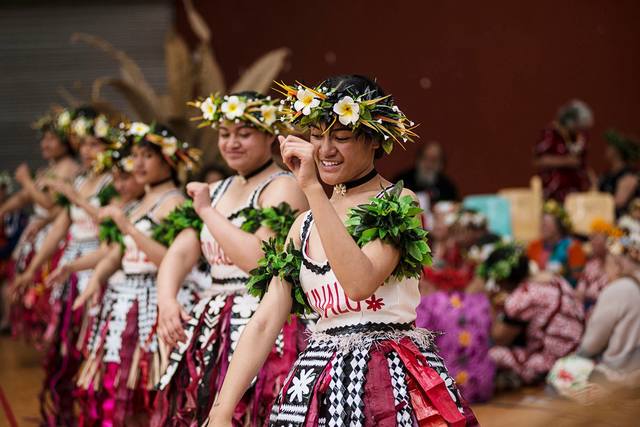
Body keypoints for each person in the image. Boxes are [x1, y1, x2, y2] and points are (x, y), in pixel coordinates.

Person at [206, 75, 476, 426]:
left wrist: (312, 189)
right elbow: (264, 321)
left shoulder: (397, 202)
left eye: (341, 137)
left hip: (391, 382)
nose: (324, 150)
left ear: (375, 140)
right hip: (318, 380)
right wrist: (221, 410)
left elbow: (359, 283)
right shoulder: (302, 225)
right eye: (316, 136)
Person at [151, 91, 309, 426]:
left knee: (256, 414)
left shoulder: (283, 187)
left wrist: (207, 212)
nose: (232, 143)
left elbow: (259, 261)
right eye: (225, 134)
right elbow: (181, 251)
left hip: (265, 322)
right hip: (213, 322)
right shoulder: (219, 188)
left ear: (269, 135)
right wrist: (166, 299)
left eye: (244, 133)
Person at [69, 122, 199, 426]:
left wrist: (126, 226)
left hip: (156, 301)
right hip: (124, 302)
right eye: (135, 155)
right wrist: (92, 280)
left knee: (151, 389)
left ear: (167, 160)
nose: (137, 163)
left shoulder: (176, 203)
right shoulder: (141, 202)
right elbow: (117, 253)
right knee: (121, 386)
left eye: (147, 156)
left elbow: (173, 260)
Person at [12, 108, 116, 426]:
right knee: (65, 346)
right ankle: (67, 414)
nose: (87, 151)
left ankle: (99, 415)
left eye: (95, 144)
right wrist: (32, 270)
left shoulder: (116, 181)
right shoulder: (83, 178)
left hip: (100, 270)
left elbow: (113, 227)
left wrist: (74, 197)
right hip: (71, 268)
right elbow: (60, 226)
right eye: (83, 144)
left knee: (92, 349)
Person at [3, 108, 79, 340]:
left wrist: (26, 181)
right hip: (39, 234)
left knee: (47, 292)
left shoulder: (69, 169)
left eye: (51, 139)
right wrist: (4, 209)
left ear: (66, 143)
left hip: (54, 238)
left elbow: (49, 205)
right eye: (43, 139)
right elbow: (25, 197)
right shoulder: (49, 168)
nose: (44, 144)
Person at [547, 233, 640, 399]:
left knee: (561, 374)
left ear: (618, 264)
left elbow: (590, 346)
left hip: (622, 377)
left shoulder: (620, 288)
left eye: (608, 265)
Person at [482, 243, 584, 390]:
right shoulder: (554, 278)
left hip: (554, 360)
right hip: (576, 349)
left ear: (501, 278)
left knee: (491, 354)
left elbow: (499, 338)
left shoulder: (523, 296)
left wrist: (491, 303)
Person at [534, 99, 593, 202]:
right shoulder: (551, 134)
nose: (580, 130)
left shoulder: (581, 137)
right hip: (554, 189)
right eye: (578, 127)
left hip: (576, 190)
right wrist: (566, 161)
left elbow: (583, 162)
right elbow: (538, 159)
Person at [527, 199, 586, 286]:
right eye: (542, 223)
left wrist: (553, 279)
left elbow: (577, 280)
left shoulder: (572, 247)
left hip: (562, 291)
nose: (543, 227)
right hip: (536, 290)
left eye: (547, 224)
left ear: (559, 226)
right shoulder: (534, 246)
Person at [576, 219, 621, 317]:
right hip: (585, 313)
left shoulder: (617, 267)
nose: (592, 242)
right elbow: (579, 293)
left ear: (608, 241)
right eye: (591, 238)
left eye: (596, 238)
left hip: (607, 313)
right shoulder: (591, 264)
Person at [0, 173, 27, 333]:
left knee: (7, 287)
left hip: (6, 255)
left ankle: (7, 320)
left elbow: (17, 236)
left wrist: (5, 252)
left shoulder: (14, 213)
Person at [394, 141, 459, 204]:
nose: (429, 165)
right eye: (425, 158)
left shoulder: (447, 186)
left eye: (434, 160)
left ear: (441, 164)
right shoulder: (403, 180)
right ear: (418, 160)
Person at [598, 130, 640, 216]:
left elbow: (619, 203)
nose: (606, 149)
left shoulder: (628, 176)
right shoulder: (607, 175)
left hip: (621, 222)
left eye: (609, 147)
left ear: (617, 151)